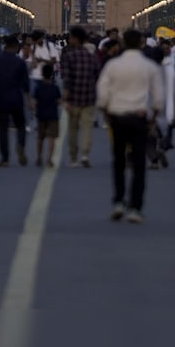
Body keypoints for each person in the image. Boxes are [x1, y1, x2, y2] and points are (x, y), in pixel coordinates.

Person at [96, 29, 164, 223]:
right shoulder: (149, 66)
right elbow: (158, 98)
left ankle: (118, 201)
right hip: (139, 117)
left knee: (118, 161)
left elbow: (102, 93)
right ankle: (135, 207)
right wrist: (153, 119)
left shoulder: (113, 65)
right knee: (139, 164)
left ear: (124, 42)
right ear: (141, 43)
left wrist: (106, 114)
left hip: (117, 117)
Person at [60, 26, 100, 168]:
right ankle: (85, 154)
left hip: (74, 99)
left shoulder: (69, 57)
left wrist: (66, 98)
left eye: (71, 37)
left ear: (76, 39)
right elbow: (97, 76)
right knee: (87, 127)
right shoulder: (92, 57)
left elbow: (66, 79)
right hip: (89, 98)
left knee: (73, 129)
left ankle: (73, 157)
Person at [0, 36, 30, 167]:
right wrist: (29, 100)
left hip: (2, 97)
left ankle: (5, 158)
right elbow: (26, 84)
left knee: (2, 129)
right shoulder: (20, 62)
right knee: (21, 125)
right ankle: (21, 144)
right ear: (16, 47)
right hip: (17, 97)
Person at [31, 63, 61, 167]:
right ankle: (50, 159)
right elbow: (59, 101)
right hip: (53, 115)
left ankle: (39, 157)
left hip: (41, 115)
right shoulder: (55, 88)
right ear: (52, 74)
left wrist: (35, 111)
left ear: (42, 74)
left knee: (40, 137)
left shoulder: (39, 88)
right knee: (52, 138)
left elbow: (35, 102)